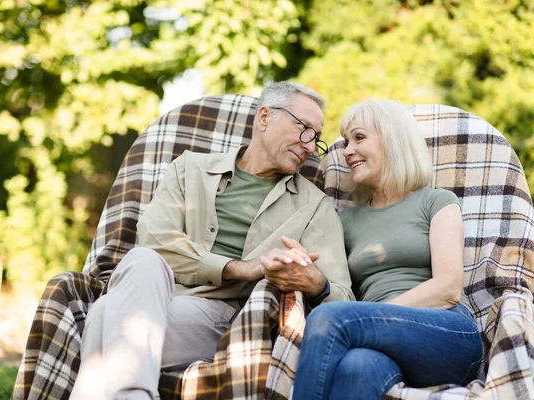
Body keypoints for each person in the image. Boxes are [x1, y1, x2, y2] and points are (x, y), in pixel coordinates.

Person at [69, 82, 354, 399]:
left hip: (221, 318)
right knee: (142, 261)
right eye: (305, 130)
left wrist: (315, 283)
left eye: (316, 137)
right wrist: (241, 268)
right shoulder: (189, 169)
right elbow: (153, 240)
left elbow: (344, 298)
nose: (311, 147)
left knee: (105, 315)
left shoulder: (314, 207)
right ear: (264, 117)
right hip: (155, 292)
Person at [292, 99, 483, 399]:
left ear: (392, 139)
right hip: (375, 344)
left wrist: (367, 317)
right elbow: (335, 285)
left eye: (359, 137)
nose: (347, 151)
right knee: (356, 369)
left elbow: (448, 288)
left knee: (328, 318)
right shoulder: (344, 221)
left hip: (446, 333)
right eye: (344, 142)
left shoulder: (436, 201)